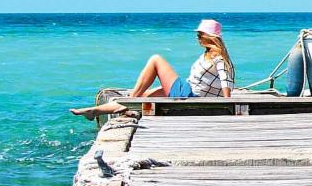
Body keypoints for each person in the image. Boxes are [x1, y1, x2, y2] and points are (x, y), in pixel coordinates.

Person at [70, 19, 238, 117]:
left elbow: (226, 82)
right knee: (145, 96)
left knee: (156, 60)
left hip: (189, 95)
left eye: (200, 35)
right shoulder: (209, 54)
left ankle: (128, 102)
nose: (197, 38)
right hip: (188, 90)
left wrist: (227, 106)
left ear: (210, 37)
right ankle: (95, 111)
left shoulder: (219, 58)